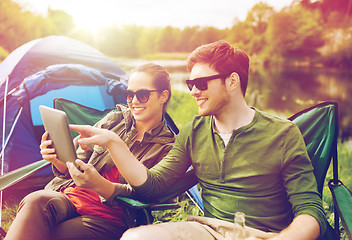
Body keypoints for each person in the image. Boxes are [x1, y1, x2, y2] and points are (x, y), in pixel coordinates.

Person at [69, 40, 326, 240]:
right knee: (134, 237)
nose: (192, 91)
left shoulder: (283, 133)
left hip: (267, 234)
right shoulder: (193, 132)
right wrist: (114, 142)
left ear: (232, 81)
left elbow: (310, 211)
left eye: (201, 83)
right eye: (190, 83)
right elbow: (153, 186)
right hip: (210, 231)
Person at [4, 63, 175, 240]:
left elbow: (148, 195)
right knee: (35, 201)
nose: (134, 101)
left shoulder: (167, 147)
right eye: (129, 95)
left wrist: (99, 185)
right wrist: (58, 160)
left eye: (142, 94)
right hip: (71, 197)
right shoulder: (115, 120)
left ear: (163, 96)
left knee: (48, 234)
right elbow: (76, 165)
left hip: (110, 217)